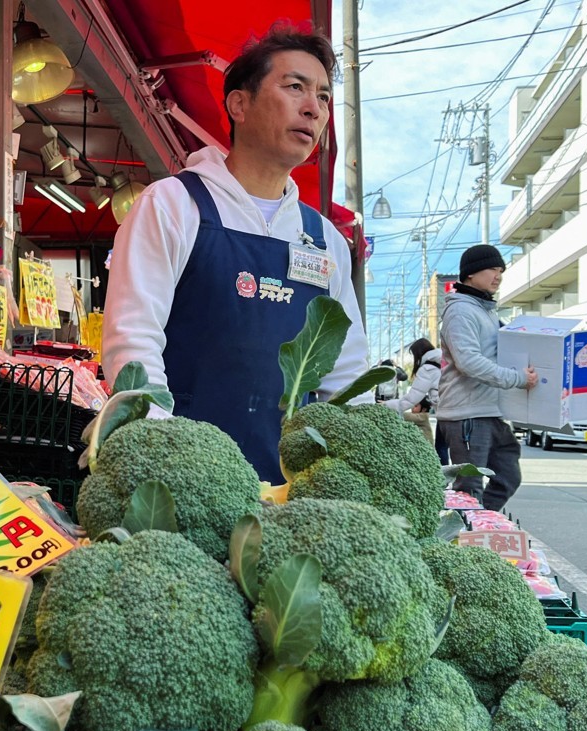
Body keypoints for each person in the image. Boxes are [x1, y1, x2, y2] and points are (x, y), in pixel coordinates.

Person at [101, 24, 370, 484]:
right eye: (295, 87)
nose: (313, 108)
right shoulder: (172, 205)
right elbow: (132, 341)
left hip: (289, 491)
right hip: (179, 480)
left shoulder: (323, 238)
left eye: (324, 97)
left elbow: (346, 373)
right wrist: (173, 455)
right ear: (238, 104)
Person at [438, 244, 537, 510]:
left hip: (490, 410)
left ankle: (481, 527)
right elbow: (468, 362)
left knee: (508, 476)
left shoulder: (486, 311)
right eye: (492, 269)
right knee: (469, 489)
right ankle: (465, 540)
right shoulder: (460, 311)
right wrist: (517, 378)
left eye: (501, 270)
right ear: (471, 273)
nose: (499, 275)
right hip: (465, 414)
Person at [385, 337, 447, 462]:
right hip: (457, 409)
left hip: (445, 413)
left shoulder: (427, 369)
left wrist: (387, 405)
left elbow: (411, 399)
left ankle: (442, 481)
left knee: (441, 451)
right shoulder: (444, 361)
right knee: (446, 450)